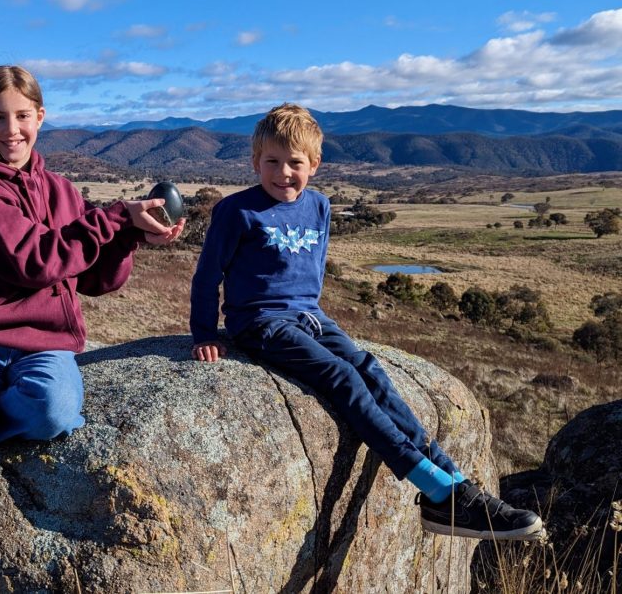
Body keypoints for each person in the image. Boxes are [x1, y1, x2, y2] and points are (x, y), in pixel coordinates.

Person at [0, 65, 184, 593]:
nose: (11, 130)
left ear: (40, 117)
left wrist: (130, 236)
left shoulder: (62, 191)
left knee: (54, 410)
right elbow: (32, 262)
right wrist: (115, 216)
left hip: (42, 344)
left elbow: (95, 280)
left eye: (22, 116)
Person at [189, 103, 542, 541]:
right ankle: (432, 488)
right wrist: (206, 333)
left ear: (314, 165)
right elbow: (208, 276)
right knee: (342, 377)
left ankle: (454, 486)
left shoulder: (319, 206)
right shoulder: (236, 210)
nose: (283, 173)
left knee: (370, 370)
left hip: (310, 317)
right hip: (261, 321)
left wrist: (313, 316)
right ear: (254, 162)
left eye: (295, 163)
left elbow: (311, 272)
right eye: (272, 162)